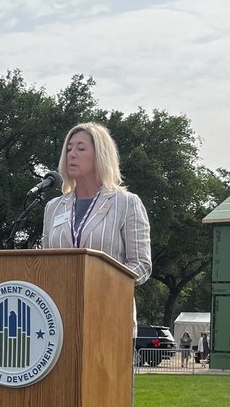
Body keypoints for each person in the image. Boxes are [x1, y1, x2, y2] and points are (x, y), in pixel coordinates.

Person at [41, 121, 152, 286]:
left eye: (81, 149)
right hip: (60, 300)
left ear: (100, 155)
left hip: (108, 299)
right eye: (69, 149)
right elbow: (45, 263)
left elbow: (141, 265)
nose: (72, 154)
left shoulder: (127, 203)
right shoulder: (53, 207)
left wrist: (99, 283)